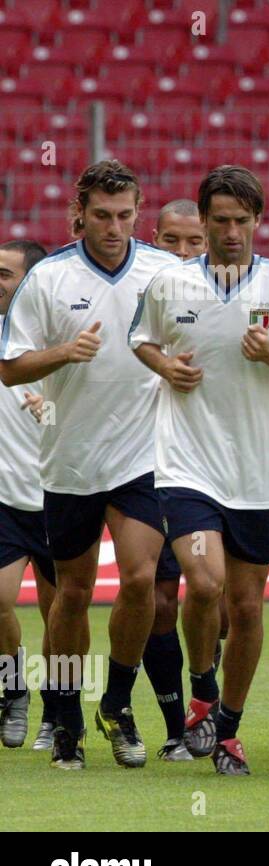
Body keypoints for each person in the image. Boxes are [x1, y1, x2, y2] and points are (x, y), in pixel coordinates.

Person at [130, 165, 269, 773]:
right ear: (204, 221)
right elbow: (141, 340)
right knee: (207, 581)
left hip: (257, 471)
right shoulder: (170, 286)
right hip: (187, 466)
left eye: (242, 221)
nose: (231, 232)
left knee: (246, 607)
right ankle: (201, 687)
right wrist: (165, 367)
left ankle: (229, 731)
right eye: (219, 221)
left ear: (258, 222)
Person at [0, 160, 179, 770]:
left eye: (125, 215)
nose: (114, 227)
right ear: (80, 212)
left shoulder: (164, 272)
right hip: (70, 462)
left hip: (142, 459)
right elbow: (11, 366)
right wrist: (63, 353)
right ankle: (67, 716)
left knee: (138, 582)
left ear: (138, 210)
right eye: (102, 215)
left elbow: (198, 338)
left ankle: (120, 704)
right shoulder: (47, 278)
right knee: (70, 597)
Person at [146, 199, 209, 761]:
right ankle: (175, 727)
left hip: (215, 468)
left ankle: (207, 703)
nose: (184, 253)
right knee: (160, 600)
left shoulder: (229, 294)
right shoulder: (147, 290)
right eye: (172, 241)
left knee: (220, 599)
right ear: (155, 238)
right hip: (142, 466)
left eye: (195, 242)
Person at [0, 239, 55, 751]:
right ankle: (13, 688)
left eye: (4, 273)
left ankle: (58, 713)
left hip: (59, 496)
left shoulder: (57, 338)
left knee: (62, 612)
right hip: (4, 499)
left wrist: (52, 411)